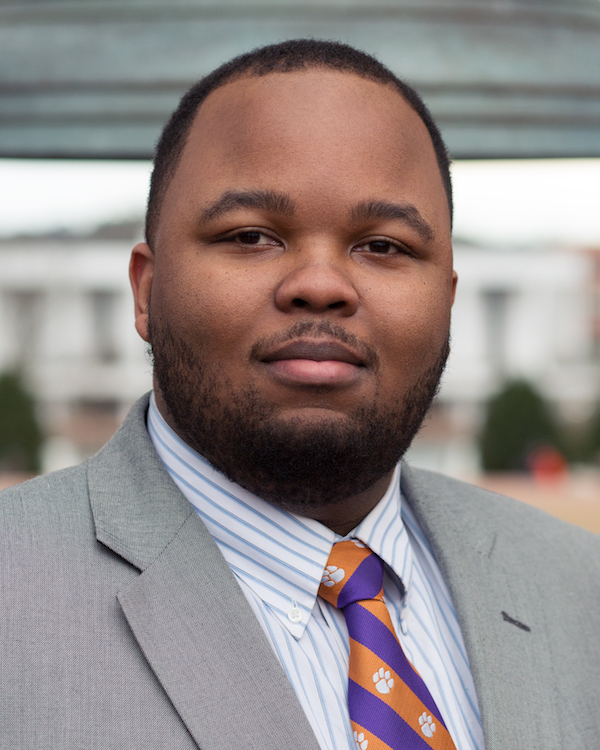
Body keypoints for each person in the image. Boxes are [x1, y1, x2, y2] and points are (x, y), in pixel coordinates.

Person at [1, 39, 599, 750]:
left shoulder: (579, 588)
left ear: (447, 299)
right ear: (146, 289)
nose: (320, 284)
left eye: (383, 246)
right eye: (251, 235)